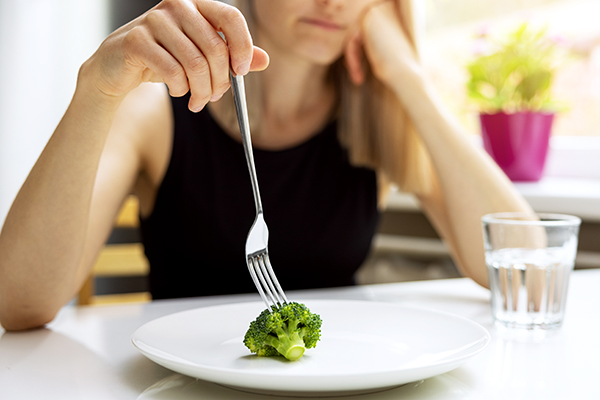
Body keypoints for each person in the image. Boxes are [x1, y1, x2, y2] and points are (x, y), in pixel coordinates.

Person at [0, 0, 531, 331]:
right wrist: (97, 88)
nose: (335, 2)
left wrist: (410, 77)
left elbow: (525, 273)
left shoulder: (381, 119)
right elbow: (20, 303)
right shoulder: (156, 110)